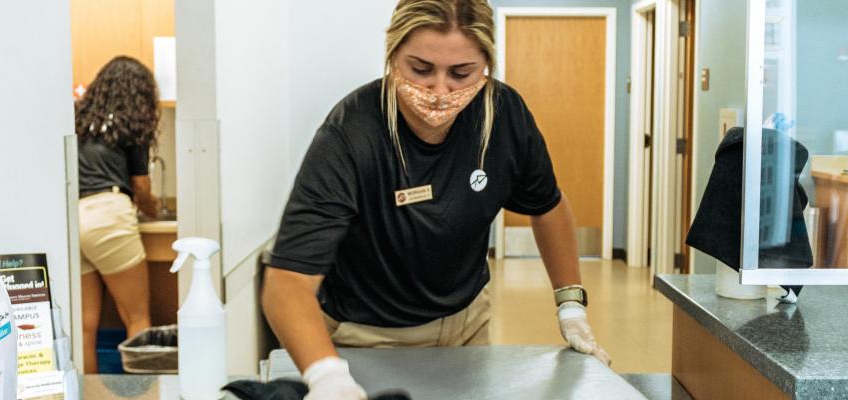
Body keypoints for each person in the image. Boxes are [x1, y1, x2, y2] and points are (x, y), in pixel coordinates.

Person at [261, 1, 610, 398]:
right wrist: (328, 378)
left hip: (466, 325)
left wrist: (571, 305)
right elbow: (287, 282)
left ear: (487, 66)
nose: (440, 90)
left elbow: (547, 205)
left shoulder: (503, 114)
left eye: (461, 73)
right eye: (421, 69)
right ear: (392, 58)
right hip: (364, 336)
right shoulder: (351, 135)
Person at [74, 56, 161, 374]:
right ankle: (144, 395)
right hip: (109, 214)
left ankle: (88, 395)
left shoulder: (79, 119)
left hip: (73, 218)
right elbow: (141, 187)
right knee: (137, 317)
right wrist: (153, 208)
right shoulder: (130, 123)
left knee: (84, 324)